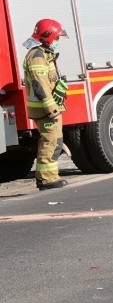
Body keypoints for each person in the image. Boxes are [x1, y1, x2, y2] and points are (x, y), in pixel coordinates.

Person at [22, 18, 69, 190]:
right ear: (47, 36)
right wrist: (52, 108)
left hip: (46, 109)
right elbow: (39, 85)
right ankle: (46, 180)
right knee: (50, 141)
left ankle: (49, 177)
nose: (57, 42)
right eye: (56, 38)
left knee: (54, 141)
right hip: (45, 109)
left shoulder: (43, 54)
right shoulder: (37, 56)